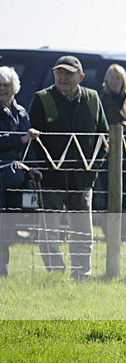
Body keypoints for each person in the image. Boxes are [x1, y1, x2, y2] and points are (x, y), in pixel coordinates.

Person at [29, 56, 109, 280]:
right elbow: (33, 140)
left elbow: (104, 139)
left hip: (82, 180)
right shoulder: (42, 99)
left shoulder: (93, 99)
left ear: (80, 77)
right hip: (50, 179)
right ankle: (55, 272)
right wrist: (39, 170)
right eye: (59, 73)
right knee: (48, 233)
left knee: (83, 233)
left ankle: (82, 274)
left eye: (69, 73)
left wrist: (92, 170)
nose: (63, 77)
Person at [0, 66, 40, 276]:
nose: (2, 89)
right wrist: (20, 138)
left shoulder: (22, 112)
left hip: (18, 179)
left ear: (14, 87)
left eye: (6, 84)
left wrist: (33, 168)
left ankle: (4, 271)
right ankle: (2, 271)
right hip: (1, 177)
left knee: (10, 226)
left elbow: (29, 146)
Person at [97, 64, 126, 243]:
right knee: (108, 196)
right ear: (106, 80)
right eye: (112, 78)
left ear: (123, 81)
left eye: (118, 78)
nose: (115, 81)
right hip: (108, 155)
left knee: (125, 198)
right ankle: (111, 235)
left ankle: (124, 237)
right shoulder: (101, 100)